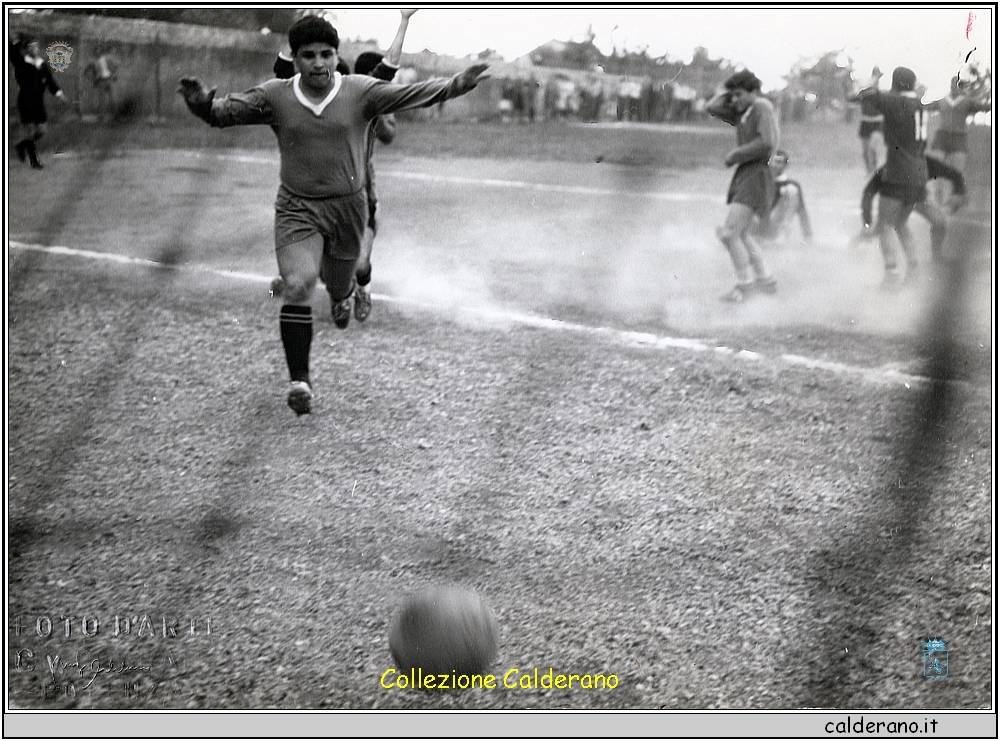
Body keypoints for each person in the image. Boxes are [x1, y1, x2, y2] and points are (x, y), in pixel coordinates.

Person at [177, 15, 488, 416]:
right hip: (297, 209)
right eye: (308, 56)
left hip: (347, 210)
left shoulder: (360, 91)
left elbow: (409, 93)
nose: (319, 63)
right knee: (298, 284)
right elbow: (223, 113)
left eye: (326, 54)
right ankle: (300, 381)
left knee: (339, 285)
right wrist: (203, 106)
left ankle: (344, 294)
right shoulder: (276, 95)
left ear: (337, 56)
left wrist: (454, 85)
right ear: (296, 59)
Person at [271, 9, 418, 323]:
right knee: (321, 260)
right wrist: (299, 27)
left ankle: (357, 289)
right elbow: (281, 69)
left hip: (358, 191)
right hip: (317, 193)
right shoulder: (303, 96)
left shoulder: (360, 97)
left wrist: (404, 20)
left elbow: (389, 69)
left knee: (360, 263)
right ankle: (338, 291)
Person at [705, 69, 780, 302]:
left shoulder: (761, 107)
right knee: (743, 233)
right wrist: (729, 94)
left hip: (756, 173)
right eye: (733, 96)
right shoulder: (745, 110)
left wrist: (736, 154)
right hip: (748, 173)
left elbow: (767, 143)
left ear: (754, 92)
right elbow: (712, 107)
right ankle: (766, 281)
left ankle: (745, 287)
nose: (734, 100)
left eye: (739, 94)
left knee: (730, 233)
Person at [853, 66, 930, 287]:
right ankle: (914, 269)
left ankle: (892, 273)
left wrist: (875, 79)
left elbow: (866, 94)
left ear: (896, 83)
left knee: (885, 223)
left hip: (899, 170)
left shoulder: (895, 101)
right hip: (919, 171)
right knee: (901, 223)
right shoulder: (919, 105)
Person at [853, 154, 967, 266]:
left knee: (939, 221)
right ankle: (911, 262)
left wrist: (958, 193)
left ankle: (934, 257)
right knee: (888, 225)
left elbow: (955, 175)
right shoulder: (890, 169)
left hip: (918, 197)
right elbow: (868, 192)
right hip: (898, 199)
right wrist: (867, 223)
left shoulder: (925, 163)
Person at [925, 73, 991, 206]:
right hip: (942, 139)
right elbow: (925, 107)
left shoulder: (966, 102)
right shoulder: (943, 101)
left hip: (958, 140)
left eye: (958, 86)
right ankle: (937, 200)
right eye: (954, 85)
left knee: (955, 173)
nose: (955, 88)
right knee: (938, 172)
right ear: (950, 86)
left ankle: (948, 202)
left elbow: (985, 107)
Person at [10, 34, 65, 169]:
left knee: (42, 130)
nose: (35, 49)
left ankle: (22, 145)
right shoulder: (21, 61)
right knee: (29, 130)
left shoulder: (41, 65)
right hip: (25, 100)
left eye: (36, 47)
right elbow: (11, 51)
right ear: (27, 49)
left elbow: (50, 81)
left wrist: (59, 94)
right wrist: (15, 41)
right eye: (31, 47)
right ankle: (34, 161)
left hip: (38, 101)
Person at [757, 149, 812, 245]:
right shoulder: (760, 182)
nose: (774, 165)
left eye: (779, 162)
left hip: (777, 229)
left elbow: (802, 212)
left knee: (791, 190)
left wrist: (808, 235)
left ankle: (780, 236)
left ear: (785, 166)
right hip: (759, 229)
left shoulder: (791, 185)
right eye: (772, 162)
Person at [847, 66, 886, 174]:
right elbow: (852, 99)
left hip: (877, 123)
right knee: (865, 149)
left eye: (879, 77)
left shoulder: (881, 93)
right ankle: (869, 170)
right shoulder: (865, 92)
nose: (877, 79)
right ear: (872, 77)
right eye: (875, 76)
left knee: (872, 147)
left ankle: (873, 170)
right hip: (866, 122)